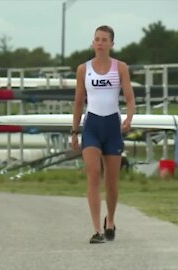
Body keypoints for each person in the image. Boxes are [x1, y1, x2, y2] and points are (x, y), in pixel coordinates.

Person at [71, 25, 135, 244]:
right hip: (92, 127)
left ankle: (111, 220)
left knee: (112, 182)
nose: (99, 43)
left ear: (111, 44)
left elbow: (130, 98)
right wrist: (74, 130)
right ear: (93, 43)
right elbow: (79, 101)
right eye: (96, 39)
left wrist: (129, 117)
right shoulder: (83, 69)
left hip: (112, 127)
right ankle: (97, 229)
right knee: (93, 173)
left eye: (104, 39)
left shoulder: (120, 68)